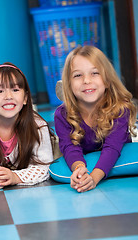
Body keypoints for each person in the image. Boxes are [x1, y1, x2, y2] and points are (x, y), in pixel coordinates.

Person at [54, 45, 137, 193]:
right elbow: (69, 147)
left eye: (95, 73)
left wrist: (94, 178)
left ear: (107, 81)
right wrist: (80, 170)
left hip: (117, 145)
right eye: (78, 75)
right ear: (69, 84)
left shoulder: (119, 109)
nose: (87, 80)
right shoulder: (62, 115)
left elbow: (112, 147)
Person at [0, 62, 53, 188]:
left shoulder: (38, 126)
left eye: (15, 90)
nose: (8, 96)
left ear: (25, 98)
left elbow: (44, 167)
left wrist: (14, 177)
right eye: (0, 90)